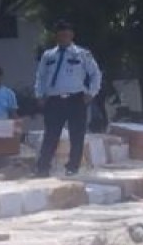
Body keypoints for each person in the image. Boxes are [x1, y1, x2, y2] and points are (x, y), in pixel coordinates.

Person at [34, 19, 101, 176]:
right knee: (51, 135)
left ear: (72, 35)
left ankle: (72, 167)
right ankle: (43, 167)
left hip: (76, 99)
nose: (64, 37)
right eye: (61, 34)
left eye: (67, 34)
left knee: (76, 135)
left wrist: (91, 93)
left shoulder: (82, 54)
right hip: (54, 100)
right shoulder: (48, 55)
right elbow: (40, 76)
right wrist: (39, 95)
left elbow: (95, 74)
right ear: (56, 36)